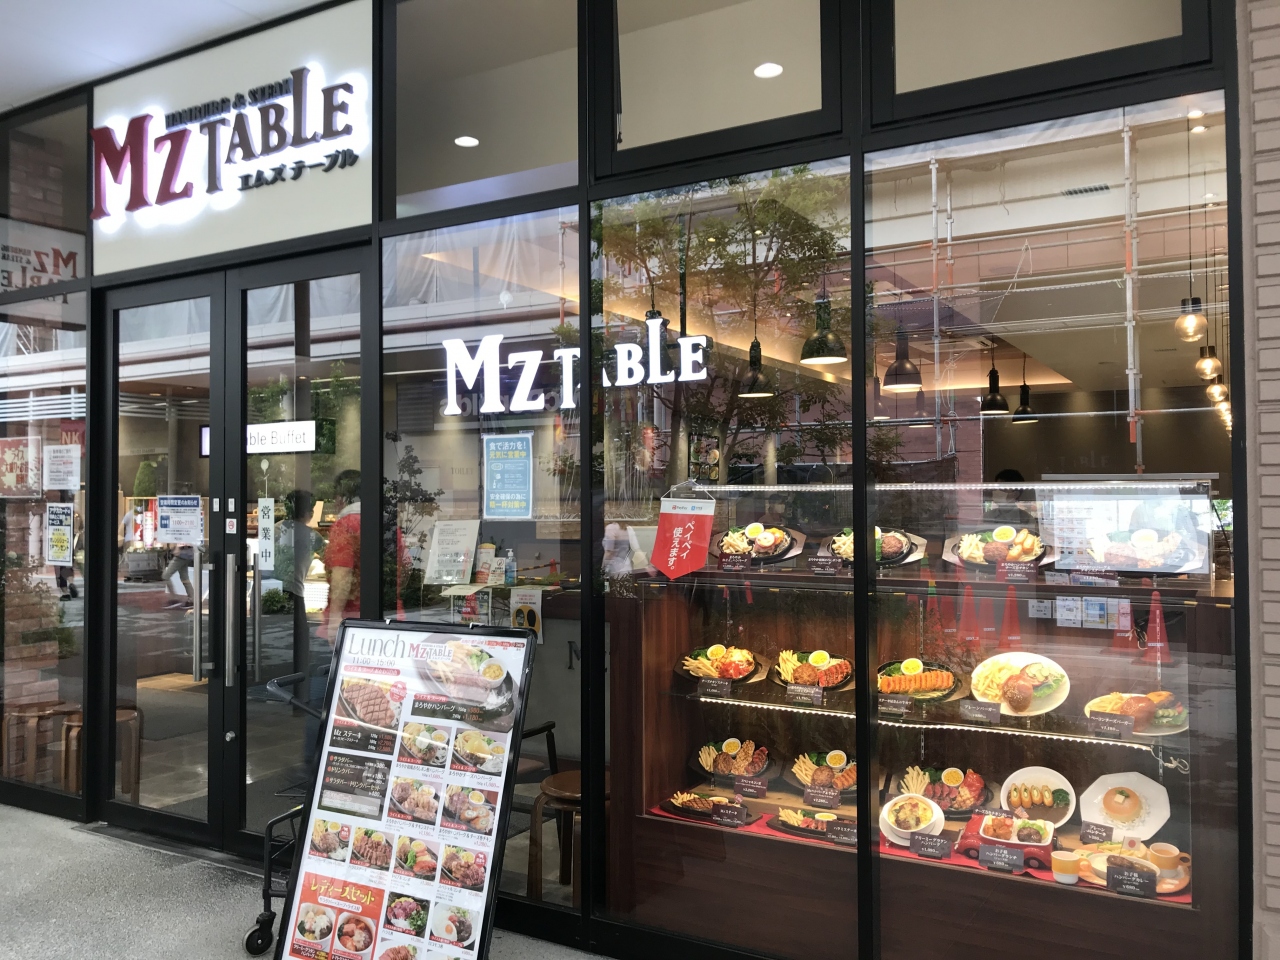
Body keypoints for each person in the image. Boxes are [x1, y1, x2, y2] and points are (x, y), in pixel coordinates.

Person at [323, 469, 363, 642]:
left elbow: (343, 574)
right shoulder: (388, 524)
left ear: (341, 498)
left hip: (351, 618)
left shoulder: (345, 526)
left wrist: (334, 620)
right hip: (389, 615)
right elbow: (405, 567)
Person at [985, 468, 1039, 533]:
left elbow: (1033, 538)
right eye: (997, 488)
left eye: (1003, 489)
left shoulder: (1027, 520)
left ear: (1015, 494)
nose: (998, 492)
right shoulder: (987, 517)